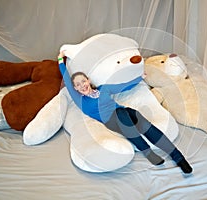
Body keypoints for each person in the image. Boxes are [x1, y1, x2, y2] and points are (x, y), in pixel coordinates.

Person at [57, 52, 193, 174]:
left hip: (125, 113)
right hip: (111, 120)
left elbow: (122, 86)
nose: (82, 85)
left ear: (88, 80)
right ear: (75, 88)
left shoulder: (103, 89)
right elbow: (66, 79)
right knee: (122, 116)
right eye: (78, 85)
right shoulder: (81, 100)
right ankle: (148, 152)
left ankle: (179, 158)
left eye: (83, 81)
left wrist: (139, 78)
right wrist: (60, 60)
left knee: (147, 126)